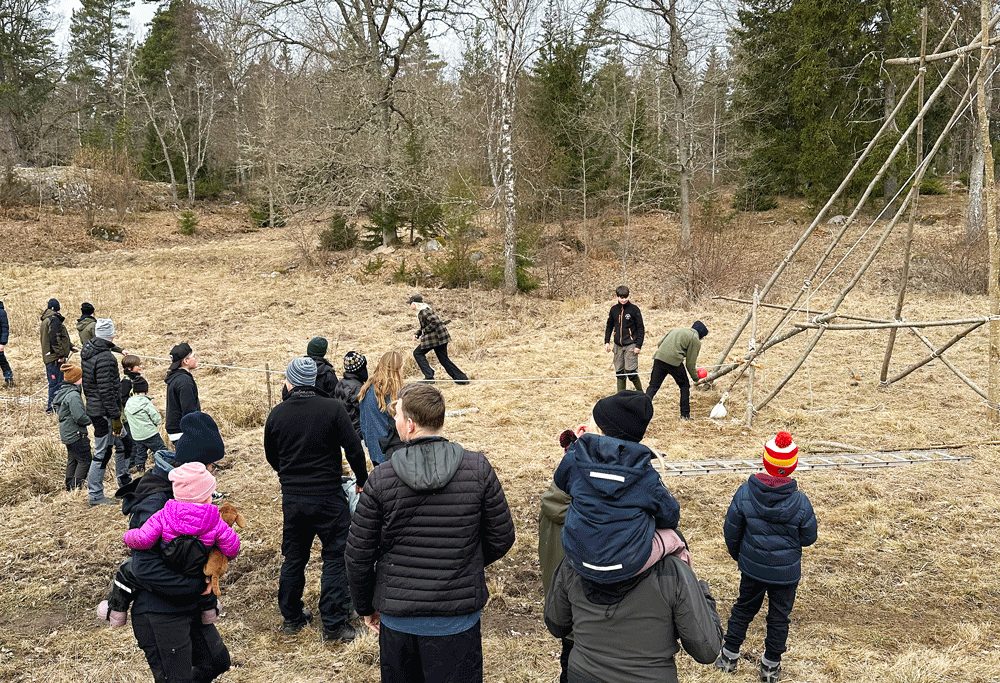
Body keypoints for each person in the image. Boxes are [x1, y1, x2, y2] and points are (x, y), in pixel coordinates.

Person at [346, 383, 515, 683]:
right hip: (456, 620)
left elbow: (359, 554)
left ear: (410, 424)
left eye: (396, 414)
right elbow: (501, 536)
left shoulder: (382, 479)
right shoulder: (478, 469)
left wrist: (365, 605)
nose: (394, 419)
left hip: (401, 619)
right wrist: (465, 562)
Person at [114, 412, 231, 680]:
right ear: (195, 467)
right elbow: (144, 569)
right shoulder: (155, 504)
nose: (214, 472)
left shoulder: (191, 500)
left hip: (185, 604)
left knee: (217, 661)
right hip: (158, 611)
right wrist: (196, 586)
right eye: (211, 465)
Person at [264, 357, 369, 643]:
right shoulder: (332, 409)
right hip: (328, 496)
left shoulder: (277, 414)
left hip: (294, 499)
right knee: (336, 555)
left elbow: (272, 455)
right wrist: (362, 480)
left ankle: (292, 617)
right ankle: (334, 624)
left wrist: (289, 475)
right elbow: (353, 449)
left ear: (290, 381)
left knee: (294, 556)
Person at [715, 431, 818, 683]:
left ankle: (729, 656)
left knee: (743, 608)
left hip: (752, 569)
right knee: (779, 616)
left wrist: (740, 557)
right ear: (792, 467)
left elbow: (731, 530)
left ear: (765, 461)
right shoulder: (800, 502)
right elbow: (809, 537)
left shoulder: (745, 492)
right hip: (785, 573)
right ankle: (770, 666)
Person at [554, 391, 684, 585]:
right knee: (677, 540)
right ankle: (682, 593)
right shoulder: (645, 475)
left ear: (599, 430)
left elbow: (560, 480)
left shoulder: (574, 460)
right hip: (628, 563)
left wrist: (579, 446)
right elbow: (670, 515)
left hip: (578, 555)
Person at [544, 547, 723, 682]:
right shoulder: (671, 569)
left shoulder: (574, 562)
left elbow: (556, 624)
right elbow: (706, 650)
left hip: (584, 676)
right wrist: (703, 596)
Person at [122, 462, 240, 565]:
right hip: (199, 568)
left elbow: (143, 539)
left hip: (170, 565)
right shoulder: (215, 520)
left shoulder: (163, 515)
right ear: (206, 498)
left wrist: (127, 536)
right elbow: (232, 548)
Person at [82, 318, 129, 505]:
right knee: (103, 452)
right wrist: (115, 416)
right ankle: (95, 495)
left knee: (124, 443)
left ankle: (124, 483)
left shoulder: (90, 351)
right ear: (111, 334)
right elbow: (107, 390)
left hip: (96, 408)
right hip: (104, 412)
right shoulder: (106, 358)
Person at [646, 321, 709, 420]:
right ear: (701, 335)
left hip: (659, 358)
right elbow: (690, 363)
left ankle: (641, 410)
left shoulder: (676, 329)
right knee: (684, 386)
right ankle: (685, 415)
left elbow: (659, 344)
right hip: (674, 362)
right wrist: (696, 378)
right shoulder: (695, 339)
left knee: (653, 386)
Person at [408, 294, 469, 385]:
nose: (409, 305)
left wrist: (424, 331)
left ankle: (429, 376)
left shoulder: (424, 312)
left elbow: (435, 322)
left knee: (417, 353)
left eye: (410, 303)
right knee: (444, 359)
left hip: (436, 339)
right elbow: (426, 325)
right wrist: (418, 333)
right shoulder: (424, 310)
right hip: (440, 338)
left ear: (415, 303)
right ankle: (461, 379)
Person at [358, 350, 404, 466]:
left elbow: (363, 423)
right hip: (391, 452)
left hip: (374, 450)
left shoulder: (366, 388)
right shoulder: (391, 393)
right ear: (397, 369)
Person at [53, 362, 91, 490]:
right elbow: (79, 417)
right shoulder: (73, 395)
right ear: (76, 379)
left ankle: (69, 486)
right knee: (85, 460)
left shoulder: (63, 392)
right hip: (76, 434)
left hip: (67, 433)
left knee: (73, 459)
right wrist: (90, 419)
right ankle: (76, 486)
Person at [604, 285, 645, 392]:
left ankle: (641, 393)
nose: (623, 299)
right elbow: (609, 326)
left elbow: (641, 328)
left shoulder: (634, 309)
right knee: (619, 372)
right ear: (617, 296)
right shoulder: (613, 309)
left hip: (631, 345)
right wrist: (607, 342)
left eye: (625, 297)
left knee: (630, 372)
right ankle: (620, 396)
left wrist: (638, 345)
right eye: (621, 297)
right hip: (617, 345)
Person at [40, 298, 74, 412]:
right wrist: (60, 355)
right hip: (55, 359)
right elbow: (55, 339)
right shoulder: (54, 320)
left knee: (56, 383)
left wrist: (70, 346)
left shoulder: (46, 320)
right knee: (56, 384)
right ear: (57, 309)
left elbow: (58, 338)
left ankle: (54, 407)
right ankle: (52, 408)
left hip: (50, 357)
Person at [125, 377, 166, 472]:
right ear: (146, 390)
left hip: (137, 436)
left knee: (141, 453)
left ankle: (140, 468)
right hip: (150, 433)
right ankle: (164, 466)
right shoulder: (145, 402)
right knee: (161, 450)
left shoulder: (129, 402)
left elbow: (127, 417)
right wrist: (157, 423)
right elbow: (155, 417)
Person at [165, 342, 200, 444]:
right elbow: (189, 409)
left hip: (177, 430)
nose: (196, 358)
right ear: (186, 361)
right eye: (193, 356)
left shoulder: (176, 377)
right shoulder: (184, 381)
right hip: (183, 431)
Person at [334, 351, 367, 439]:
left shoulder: (340, 383)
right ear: (359, 370)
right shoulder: (357, 388)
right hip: (357, 433)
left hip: (343, 429)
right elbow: (364, 412)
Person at [0, 298, 14, 388]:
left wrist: (2, 343)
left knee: (2, 360)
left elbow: (5, 328)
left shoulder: (1, 312)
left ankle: (9, 378)